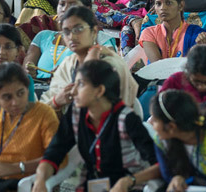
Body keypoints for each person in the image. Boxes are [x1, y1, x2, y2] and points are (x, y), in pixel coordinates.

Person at [33, 60, 155, 191]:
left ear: (99, 90)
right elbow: (55, 151)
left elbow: (158, 165)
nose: (73, 91)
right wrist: (40, 180)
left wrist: (129, 181)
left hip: (129, 187)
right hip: (93, 186)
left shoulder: (126, 119)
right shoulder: (76, 114)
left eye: (80, 85)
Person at [40, 6, 138, 115]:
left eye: (78, 29)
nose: (72, 36)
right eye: (66, 31)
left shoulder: (112, 64)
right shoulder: (68, 64)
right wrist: (56, 102)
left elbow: (122, 109)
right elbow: (43, 108)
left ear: (94, 31)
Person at [23, 0, 115, 79]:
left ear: (86, 8)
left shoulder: (99, 37)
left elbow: (112, 70)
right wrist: (30, 73)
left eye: (72, 4)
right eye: (61, 4)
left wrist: (71, 74)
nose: (65, 9)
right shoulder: (43, 36)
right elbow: (26, 71)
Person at [139, 0, 206, 63]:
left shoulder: (196, 33)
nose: (162, 8)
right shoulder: (149, 33)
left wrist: (202, 50)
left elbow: (193, 68)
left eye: (169, 3)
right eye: (158, 4)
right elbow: (157, 67)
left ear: (180, 6)